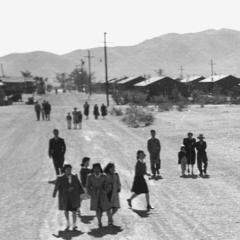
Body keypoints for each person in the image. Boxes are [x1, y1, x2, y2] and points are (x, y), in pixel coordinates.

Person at [53, 164, 84, 231]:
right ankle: (68, 222)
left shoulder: (75, 176)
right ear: (64, 170)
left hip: (74, 197)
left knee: (74, 211)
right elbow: (57, 186)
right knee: (66, 210)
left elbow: (78, 185)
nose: (69, 170)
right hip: (65, 197)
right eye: (67, 169)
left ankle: (74, 224)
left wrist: (81, 193)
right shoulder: (60, 177)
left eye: (70, 169)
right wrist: (54, 194)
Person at [86, 163, 112, 228]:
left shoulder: (104, 176)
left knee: (107, 207)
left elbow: (108, 185)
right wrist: (91, 193)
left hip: (103, 194)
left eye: (98, 168)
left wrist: (105, 191)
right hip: (94, 195)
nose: (97, 169)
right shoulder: (90, 176)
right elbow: (87, 186)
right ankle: (99, 222)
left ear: (100, 168)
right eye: (95, 168)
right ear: (93, 169)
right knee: (98, 209)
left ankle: (110, 221)